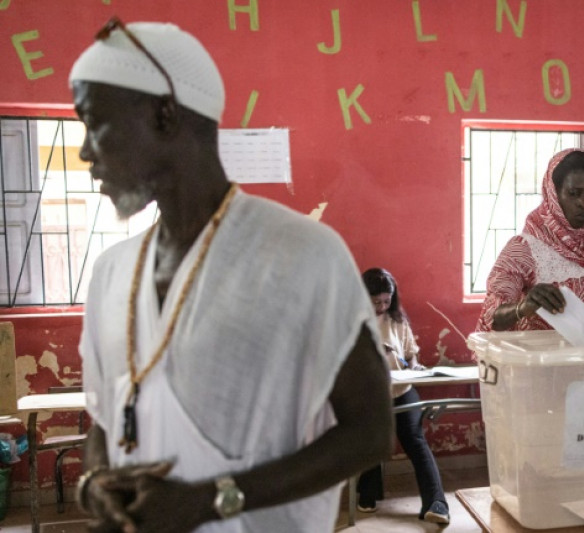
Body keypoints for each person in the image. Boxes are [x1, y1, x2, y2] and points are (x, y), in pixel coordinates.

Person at [71, 18, 392, 533]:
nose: (85, 151)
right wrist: (95, 484)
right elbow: (108, 421)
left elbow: (372, 431)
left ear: (165, 113)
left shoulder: (301, 252)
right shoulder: (112, 272)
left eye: (94, 122)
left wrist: (210, 500)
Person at [477, 148, 584, 331]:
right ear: (554, 193)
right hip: (543, 358)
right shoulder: (525, 248)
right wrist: (523, 308)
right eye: (573, 193)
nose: (583, 203)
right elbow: (492, 317)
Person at [356, 268, 451, 525]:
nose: (382, 306)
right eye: (376, 302)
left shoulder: (397, 319)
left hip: (402, 389)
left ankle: (436, 503)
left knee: (415, 440)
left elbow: (410, 354)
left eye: (387, 301)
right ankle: (367, 494)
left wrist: (415, 364)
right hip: (370, 394)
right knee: (372, 441)